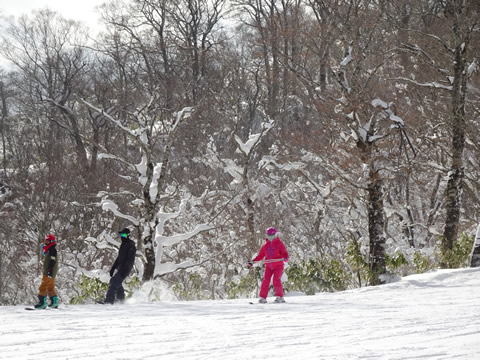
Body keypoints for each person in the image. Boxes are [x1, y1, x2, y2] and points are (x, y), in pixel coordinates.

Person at [248, 227, 289, 303]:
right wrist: (253, 261)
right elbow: (260, 256)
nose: (270, 237)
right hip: (268, 266)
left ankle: (280, 297)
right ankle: (262, 298)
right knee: (265, 281)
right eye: (268, 235)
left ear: (275, 235)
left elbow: (284, 252)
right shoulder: (265, 246)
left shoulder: (279, 244)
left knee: (276, 280)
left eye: (271, 235)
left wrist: (285, 257)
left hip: (278, 265)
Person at [101, 228, 136, 304]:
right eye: (121, 234)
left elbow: (130, 259)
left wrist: (125, 269)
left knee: (114, 281)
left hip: (125, 269)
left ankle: (109, 300)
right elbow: (119, 258)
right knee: (117, 282)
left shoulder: (131, 245)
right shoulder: (123, 245)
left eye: (124, 235)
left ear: (128, 235)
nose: (122, 236)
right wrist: (113, 268)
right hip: (121, 268)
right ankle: (121, 300)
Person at [34, 234, 59, 309]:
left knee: (43, 287)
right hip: (52, 272)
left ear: (51, 242)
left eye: (47, 241)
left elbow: (52, 261)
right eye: (45, 241)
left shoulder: (52, 250)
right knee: (50, 287)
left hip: (49, 272)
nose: (46, 243)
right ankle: (54, 302)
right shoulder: (51, 249)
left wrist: (49, 271)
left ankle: (42, 303)